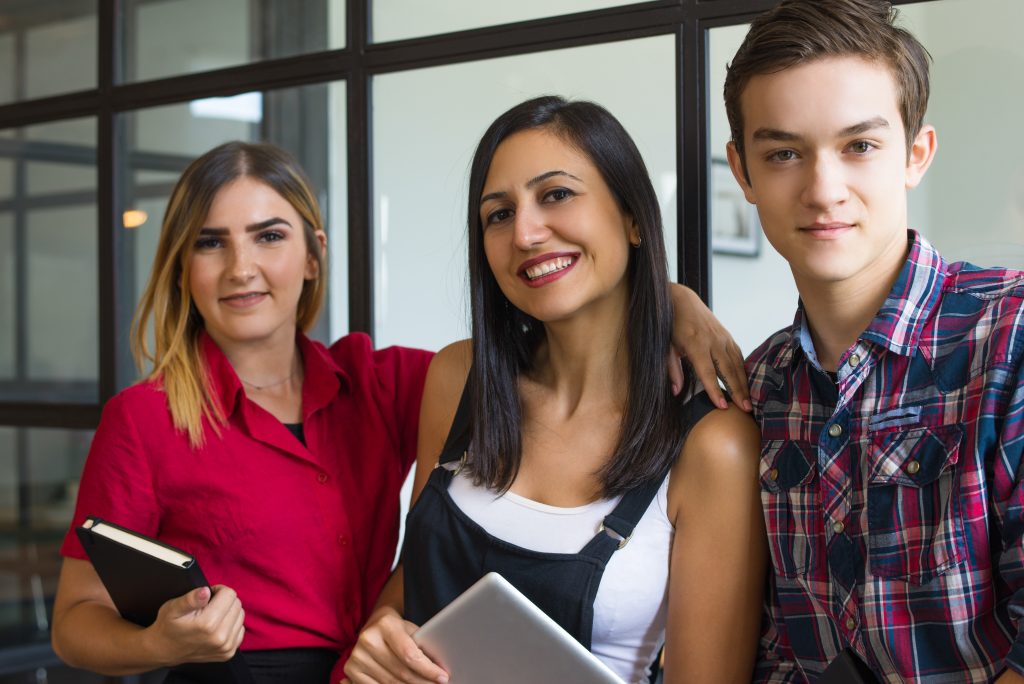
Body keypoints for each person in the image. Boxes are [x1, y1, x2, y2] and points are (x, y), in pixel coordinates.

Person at [48, 141, 749, 683]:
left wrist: (668, 301)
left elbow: (539, 362)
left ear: (314, 256)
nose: (241, 268)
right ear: (180, 265)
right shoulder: (143, 420)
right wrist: (156, 643)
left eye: (268, 236)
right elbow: (73, 624)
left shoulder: (381, 383)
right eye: (210, 242)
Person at [343, 96, 766, 684]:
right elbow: (412, 584)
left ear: (634, 217)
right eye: (498, 214)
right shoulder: (457, 379)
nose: (525, 232)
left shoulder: (713, 445)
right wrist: (380, 635)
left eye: (556, 195)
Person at [722, 1, 1024, 681]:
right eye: (784, 154)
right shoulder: (759, 386)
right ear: (743, 173)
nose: (823, 190)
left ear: (916, 155)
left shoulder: (1011, 338)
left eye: (859, 146)